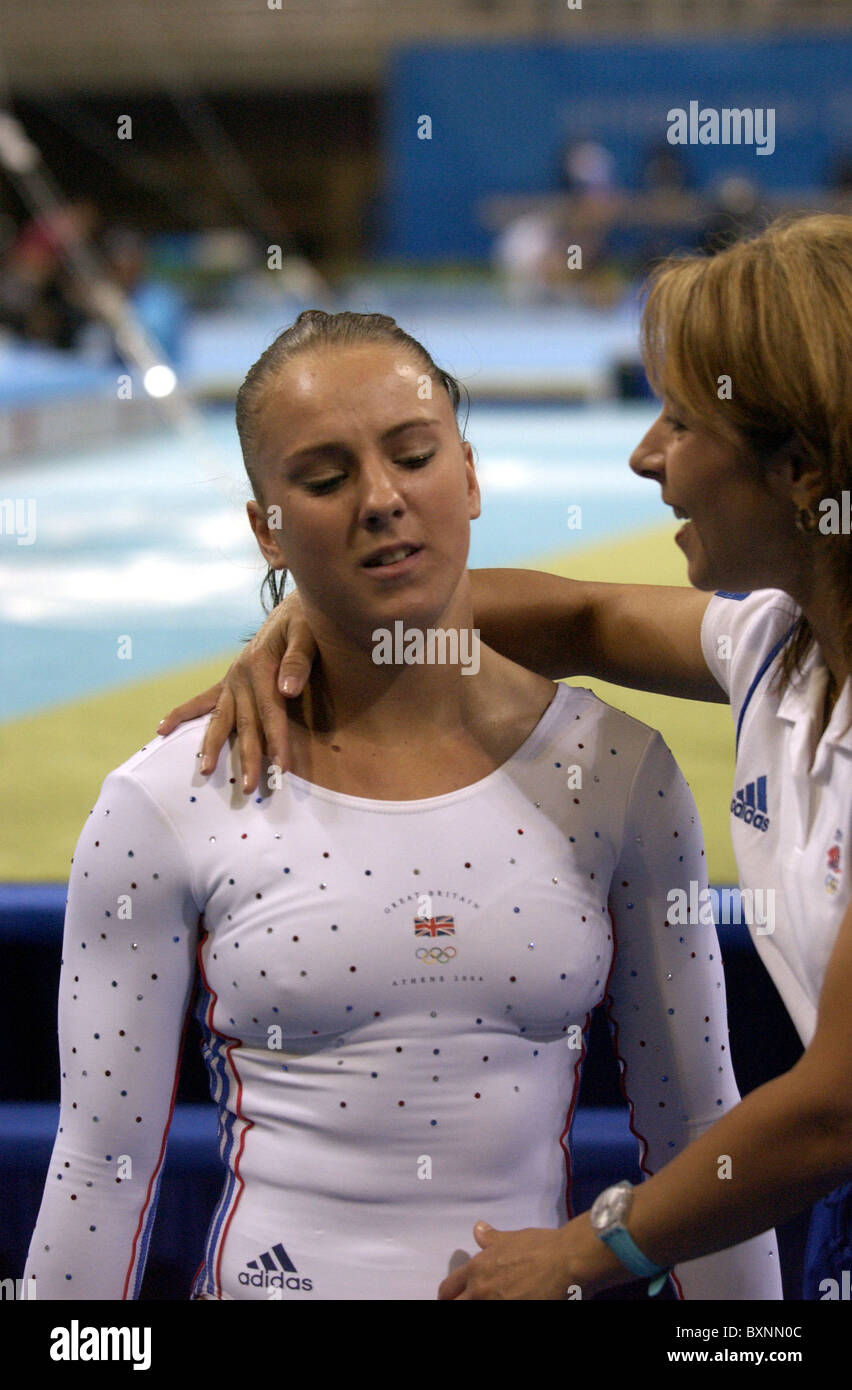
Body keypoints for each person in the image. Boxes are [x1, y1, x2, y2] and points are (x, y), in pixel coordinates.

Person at [160, 214, 852, 1301]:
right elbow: (572, 616)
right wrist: (328, 607)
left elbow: (836, 1105)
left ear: (799, 466)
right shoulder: (779, 648)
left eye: (680, 422)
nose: (644, 453)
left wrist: (589, 1248)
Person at [23, 310, 779, 1301]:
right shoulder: (167, 798)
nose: (381, 500)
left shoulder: (619, 774)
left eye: (414, 457)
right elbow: (99, 1166)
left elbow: (698, 1126)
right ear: (268, 528)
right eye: (326, 481)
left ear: (469, 475)